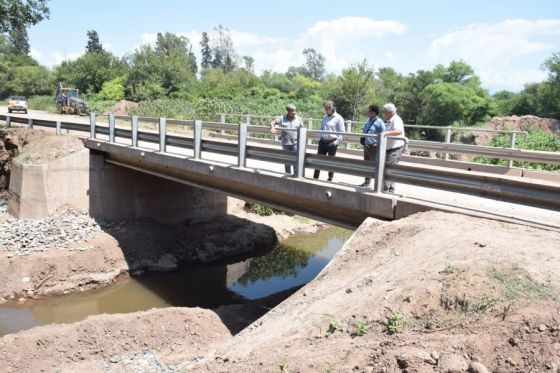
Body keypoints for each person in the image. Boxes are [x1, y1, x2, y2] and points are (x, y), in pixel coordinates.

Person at [313, 101, 345, 182]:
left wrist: (335, 143)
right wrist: (320, 138)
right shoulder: (324, 117)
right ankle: (315, 177)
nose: (326, 110)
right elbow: (321, 129)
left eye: (328, 108)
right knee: (319, 160)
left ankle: (330, 178)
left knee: (331, 162)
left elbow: (342, 132)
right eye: (325, 108)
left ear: (333, 108)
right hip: (323, 142)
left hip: (332, 142)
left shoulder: (339, 118)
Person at [270, 104, 303, 174]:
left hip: (296, 143)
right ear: (288, 111)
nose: (294, 112)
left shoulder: (299, 119)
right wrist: (273, 127)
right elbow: (273, 122)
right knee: (287, 160)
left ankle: (296, 175)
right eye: (292, 111)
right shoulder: (282, 118)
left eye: (295, 111)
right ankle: (288, 175)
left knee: (295, 160)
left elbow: (303, 129)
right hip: (285, 143)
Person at [382, 103, 405, 193]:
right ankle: (391, 188)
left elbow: (399, 131)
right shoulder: (391, 120)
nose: (384, 114)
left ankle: (386, 188)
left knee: (388, 168)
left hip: (395, 147)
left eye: (385, 112)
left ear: (390, 112)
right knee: (391, 168)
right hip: (390, 147)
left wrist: (386, 133)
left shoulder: (396, 119)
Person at [360, 104, 385, 187]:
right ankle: (367, 181)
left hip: (373, 147)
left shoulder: (380, 122)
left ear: (374, 112)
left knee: (375, 166)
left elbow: (384, 134)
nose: (368, 112)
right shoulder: (368, 120)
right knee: (366, 165)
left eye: (369, 111)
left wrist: (377, 143)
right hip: (366, 146)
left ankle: (378, 184)